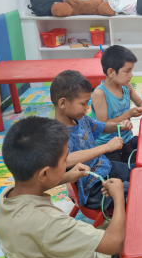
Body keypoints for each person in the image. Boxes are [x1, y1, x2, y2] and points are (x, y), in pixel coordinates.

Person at [0, 116, 141, 258]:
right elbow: (114, 244)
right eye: (65, 160)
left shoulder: (7, 195)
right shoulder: (49, 223)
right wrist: (119, 198)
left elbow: (37, 185)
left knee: (133, 224)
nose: (67, 163)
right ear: (44, 174)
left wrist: (66, 177)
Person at [51, 70, 133, 211]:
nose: (87, 108)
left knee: (139, 175)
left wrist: (120, 125)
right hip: (92, 188)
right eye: (83, 103)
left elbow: (101, 127)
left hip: (106, 167)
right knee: (135, 191)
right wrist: (106, 147)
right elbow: (66, 160)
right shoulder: (56, 135)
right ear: (63, 103)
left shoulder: (81, 119)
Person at [91, 45, 142, 164]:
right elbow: (103, 126)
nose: (131, 75)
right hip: (108, 145)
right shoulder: (100, 93)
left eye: (131, 70)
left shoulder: (126, 86)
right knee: (123, 171)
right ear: (111, 72)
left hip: (127, 139)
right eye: (127, 71)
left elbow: (140, 102)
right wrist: (128, 114)